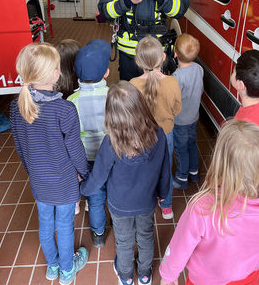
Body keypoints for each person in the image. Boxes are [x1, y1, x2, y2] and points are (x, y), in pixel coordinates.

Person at [159, 119, 259, 285]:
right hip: (248, 277)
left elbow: (179, 248)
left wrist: (168, 276)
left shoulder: (203, 207)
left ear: (221, 163)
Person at [9, 43, 89, 285]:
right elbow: (75, 149)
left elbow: (20, 147)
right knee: (64, 225)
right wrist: (83, 172)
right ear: (56, 74)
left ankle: (52, 267)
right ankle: (67, 270)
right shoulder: (64, 109)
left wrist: (32, 172)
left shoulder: (16, 106)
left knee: (45, 224)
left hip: (39, 180)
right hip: (64, 181)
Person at [81, 81, 170, 285]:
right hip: (147, 201)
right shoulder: (159, 135)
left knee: (124, 240)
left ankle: (126, 275)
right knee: (146, 236)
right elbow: (165, 171)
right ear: (141, 106)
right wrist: (164, 194)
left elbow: (98, 177)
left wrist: (83, 189)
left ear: (111, 115)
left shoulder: (111, 143)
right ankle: (145, 274)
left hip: (119, 205)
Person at [130, 35, 181, 220]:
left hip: (142, 135)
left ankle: (145, 202)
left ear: (137, 61)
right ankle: (166, 206)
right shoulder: (172, 82)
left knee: (144, 168)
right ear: (163, 58)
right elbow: (176, 108)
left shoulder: (133, 84)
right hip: (166, 133)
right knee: (165, 169)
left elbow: (133, 112)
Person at [68, 39, 110, 248]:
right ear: (106, 73)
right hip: (110, 156)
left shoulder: (71, 101)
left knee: (95, 196)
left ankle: (98, 234)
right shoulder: (112, 96)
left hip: (85, 160)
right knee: (114, 189)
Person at [172, 34, 203, 190]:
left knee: (181, 148)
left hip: (180, 121)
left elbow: (173, 99)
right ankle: (194, 172)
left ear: (175, 53)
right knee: (192, 144)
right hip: (193, 117)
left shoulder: (176, 76)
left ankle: (181, 177)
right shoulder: (199, 69)